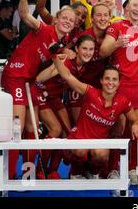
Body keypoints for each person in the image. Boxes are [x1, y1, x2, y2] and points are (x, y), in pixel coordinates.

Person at [1, 0, 76, 179]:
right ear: (57, 19)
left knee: (31, 129)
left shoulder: (62, 46)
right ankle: (8, 176)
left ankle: (28, 173)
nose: (67, 21)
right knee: (17, 127)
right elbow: (26, 15)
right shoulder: (43, 28)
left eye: (71, 20)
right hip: (15, 76)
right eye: (64, 18)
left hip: (30, 81)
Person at [52, 57, 138, 179]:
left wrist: (136, 124)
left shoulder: (122, 101)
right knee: (80, 151)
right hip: (79, 137)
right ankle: (76, 173)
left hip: (98, 142)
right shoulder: (90, 92)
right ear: (101, 80)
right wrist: (54, 57)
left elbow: (135, 119)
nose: (110, 82)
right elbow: (68, 76)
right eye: (107, 79)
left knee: (102, 154)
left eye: (114, 79)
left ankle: (93, 172)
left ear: (119, 83)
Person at [99, 0, 138, 184]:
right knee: (118, 129)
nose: (137, 10)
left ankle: (132, 168)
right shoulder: (116, 26)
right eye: (134, 6)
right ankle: (112, 168)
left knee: (137, 130)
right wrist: (118, 43)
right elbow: (103, 51)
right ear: (127, 7)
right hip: (120, 87)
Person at [35, 35, 96, 179]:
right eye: (84, 49)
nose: (88, 52)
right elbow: (38, 79)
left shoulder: (83, 66)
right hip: (41, 94)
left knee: (67, 134)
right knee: (56, 129)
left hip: (55, 98)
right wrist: (56, 66)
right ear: (76, 49)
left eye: (91, 49)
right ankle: (39, 170)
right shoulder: (66, 61)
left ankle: (52, 170)